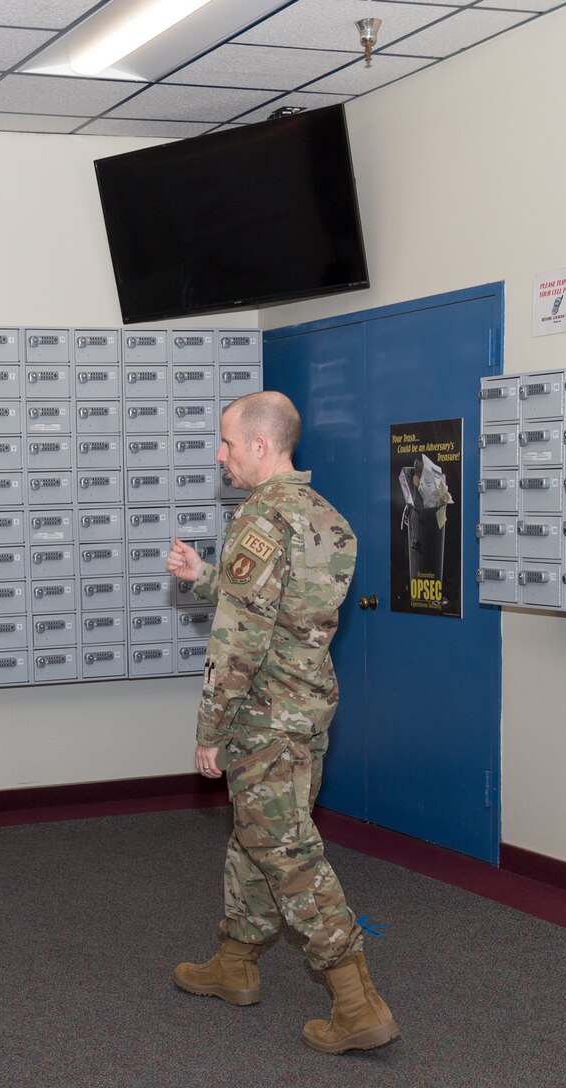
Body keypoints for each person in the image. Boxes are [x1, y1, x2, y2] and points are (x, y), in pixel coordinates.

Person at [164, 391, 401, 1054]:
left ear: (261, 447)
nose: (221, 454)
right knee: (259, 834)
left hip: (264, 717)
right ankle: (235, 962)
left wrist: (210, 728)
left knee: (286, 850)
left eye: (228, 443)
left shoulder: (259, 520)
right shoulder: (327, 519)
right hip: (307, 706)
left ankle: (355, 1001)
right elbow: (281, 605)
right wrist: (206, 575)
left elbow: (239, 638)